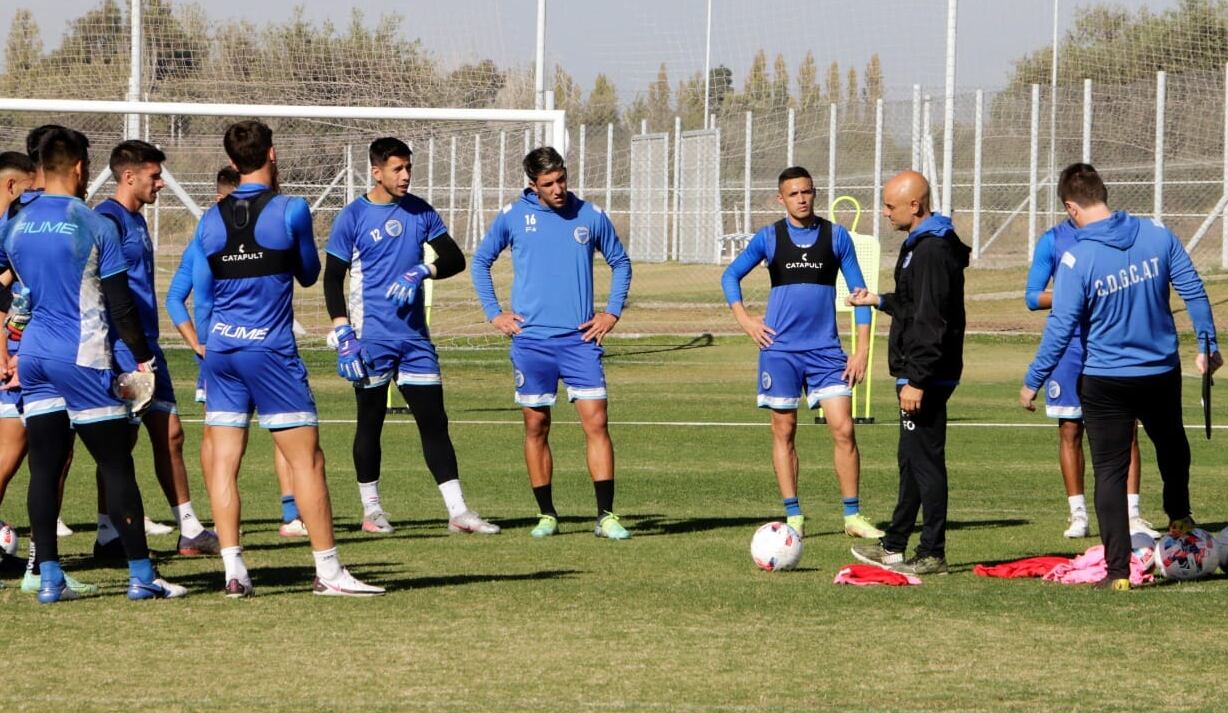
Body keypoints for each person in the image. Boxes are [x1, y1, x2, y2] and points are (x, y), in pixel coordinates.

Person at [196, 120, 382, 597]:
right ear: (272, 155)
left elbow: (204, 292)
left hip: (220, 350)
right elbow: (307, 273)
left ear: (233, 161)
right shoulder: (291, 209)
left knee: (223, 463)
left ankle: (234, 571)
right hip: (270, 351)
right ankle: (329, 571)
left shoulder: (209, 219)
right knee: (307, 462)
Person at [0, 126, 187, 602]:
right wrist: (143, 359)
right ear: (81, 168)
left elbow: (8, 285)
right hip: (81, 354)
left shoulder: (16, 222)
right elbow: (121, 307)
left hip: (34, 353)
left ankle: (49, 578)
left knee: (43, 468)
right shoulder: (93, 223)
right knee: (116, 463)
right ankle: (143, 575)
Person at [1021, 163, 1221, 591]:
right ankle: (1179, 514)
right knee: (1171, 445)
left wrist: (1033, 378)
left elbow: (1061, 324)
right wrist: (1207, 345)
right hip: (1159, 372)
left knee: (1109, 471)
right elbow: (1195, 291)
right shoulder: (1158, 235)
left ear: (1070, 207)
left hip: (1106, 379)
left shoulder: (1077, 257)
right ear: (1104, 193)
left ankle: (1117, 573)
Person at [323, 137, 498, 535]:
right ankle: (372, 512)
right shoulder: (353, 216)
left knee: (435, 422)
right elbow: (332, 279)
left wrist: (424, 270)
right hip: (371, 339)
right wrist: (343, 330)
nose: (405, 176)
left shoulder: (420, 211)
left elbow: (453, 258)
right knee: (370, 422)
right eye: (397, 169)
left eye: (408, 168)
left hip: (415, 340)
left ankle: (458, 513)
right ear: (377, 171)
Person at [471, 146, 633, 539]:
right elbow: (480, 261)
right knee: (536, 425)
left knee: (597, 422)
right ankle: (546, 514)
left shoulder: (590, 215)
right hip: (532, 344)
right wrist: (495, 313)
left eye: (561, 179)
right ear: (533, 185)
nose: (558, 189)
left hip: (580, 341)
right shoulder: (513, 217)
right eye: (549, 184)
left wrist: (611, 312)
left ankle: (606, 515)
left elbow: (621, 262)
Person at [720, 165, 883, 539]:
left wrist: (860, 353)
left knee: (843, 428)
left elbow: (860, 297)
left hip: (826, 351)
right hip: (780, 351)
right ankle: (793, 515)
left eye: (807, 191)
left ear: (815, 193)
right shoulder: (769, 237)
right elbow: (730, 276)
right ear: (781, 199)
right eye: (794, 194)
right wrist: (746, 321)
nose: (802, 198)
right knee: (785, 429)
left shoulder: (837, 236)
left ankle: (852, 517)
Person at [93, 140, 220, 558]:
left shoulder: (138, 220)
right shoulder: (104, 220)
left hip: (149, 346)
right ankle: (108, 533)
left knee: (171, 434)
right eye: (154, 175)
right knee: (119, 446)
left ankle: (188, 529)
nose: (161, 183)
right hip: (122, 350)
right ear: (129, 176)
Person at [166, 166, 306, 538]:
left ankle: (287, 514)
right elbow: (176, 298)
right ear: (219, 200)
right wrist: (197, 342)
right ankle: (227, 524)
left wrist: (206, 342)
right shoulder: (206, 241)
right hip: (244, 350)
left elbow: (178, 299)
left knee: (266, 436)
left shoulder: (215, 239)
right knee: (227, 444)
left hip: (223, 352)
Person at [847, 170, 969, 576]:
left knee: (926, 461)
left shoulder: (933, 250)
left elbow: (931, 320)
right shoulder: (917, 245)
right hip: (918, 372)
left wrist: (917, 379)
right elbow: (914, 304)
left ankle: (932, 551)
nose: (884, 213)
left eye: (890, 205)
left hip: (927, 375)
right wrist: (879, 299)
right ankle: (895, 544)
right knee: (911, 459)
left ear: (915, 206)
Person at [1025, 220, 1159, 539]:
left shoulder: (1120, 237)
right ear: (1071, 205)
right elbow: (1033, 297)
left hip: (1112, 342)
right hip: (1069, 348)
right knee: (1071, 429)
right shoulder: (1052, 240)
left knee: (1127, 430)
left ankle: (1132, 516)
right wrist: (1075, 293)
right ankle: (1078, 515)